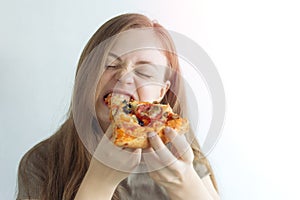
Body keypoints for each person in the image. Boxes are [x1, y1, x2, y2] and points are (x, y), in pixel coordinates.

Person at [17, 13, 220, 200]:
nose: (123, 76)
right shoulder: (42, 162)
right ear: (87, 77)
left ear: (161, 93)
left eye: (145, 73)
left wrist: (185, 183)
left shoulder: (179, 153)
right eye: (111, 65)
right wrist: (99, 182)